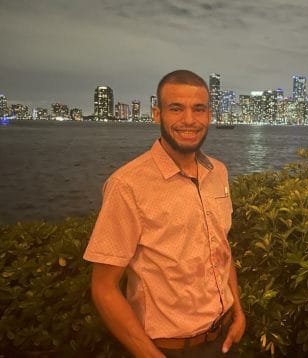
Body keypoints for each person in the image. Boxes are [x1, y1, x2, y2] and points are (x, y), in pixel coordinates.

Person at [83, 69, 246, 358]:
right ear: (157, 114)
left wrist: (239, 312)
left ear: (209, 115)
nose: (189, 120)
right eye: (176, 108)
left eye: (198, 109)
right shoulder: (128, 185)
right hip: (168, 349)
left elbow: (221, 246)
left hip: (224, 339)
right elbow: (104, 288)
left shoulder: (217, 171)